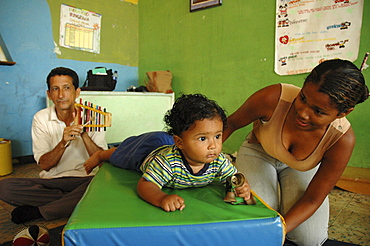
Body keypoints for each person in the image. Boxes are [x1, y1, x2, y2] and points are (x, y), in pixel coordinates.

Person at [223, 59, 369, 246]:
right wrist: (198, 161)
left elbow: (312, 199)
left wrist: (279, 227)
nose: (302, 112)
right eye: (303, 98)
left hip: (300, 168)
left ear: (343, 113)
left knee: (309, 239)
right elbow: (231, 123)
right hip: (258, 152)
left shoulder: (341, 140)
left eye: (318, 111)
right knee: (258, 216)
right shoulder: (275, 97)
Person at [84, 94, 254, 212]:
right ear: (179, 142)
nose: (213, 146)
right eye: (203, 139)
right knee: (121, 154)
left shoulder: (219, 160)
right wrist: (161, 198)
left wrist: (240, 187)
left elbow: (233, 177)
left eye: (217, 136)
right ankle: (101, 154)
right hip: (149, 149)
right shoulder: (166, 163)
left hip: (170, 141)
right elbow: (145, 185)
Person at [0, 67, 107, 224]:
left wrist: (84, 134)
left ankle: (41, 211)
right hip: (52, 180)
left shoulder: (93, 117)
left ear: (77, 92)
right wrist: (63, 142)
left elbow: (103, 163)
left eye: (66, 88)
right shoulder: (41, 118)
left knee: (102, 185)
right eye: (55, 89)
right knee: (5, 187)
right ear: (49, 94)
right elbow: (45, 165)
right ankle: (72, 203)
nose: (61, 95)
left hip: (86, 179)